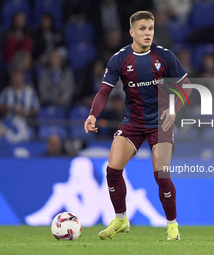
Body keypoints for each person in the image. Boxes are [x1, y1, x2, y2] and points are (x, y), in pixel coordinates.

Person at [84, 11, 191, 241]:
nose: (148, 33)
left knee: (161, 174)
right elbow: (104, 91)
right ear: (132, 32)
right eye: (142, 29)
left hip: (160, 124)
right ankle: (121, 219)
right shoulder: (119, 59)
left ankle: (172, 226)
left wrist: (173, 110)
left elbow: (187, 87)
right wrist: (93, 115)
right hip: (133, 123)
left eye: (151, 28)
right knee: (112, 171)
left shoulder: (165, 56)